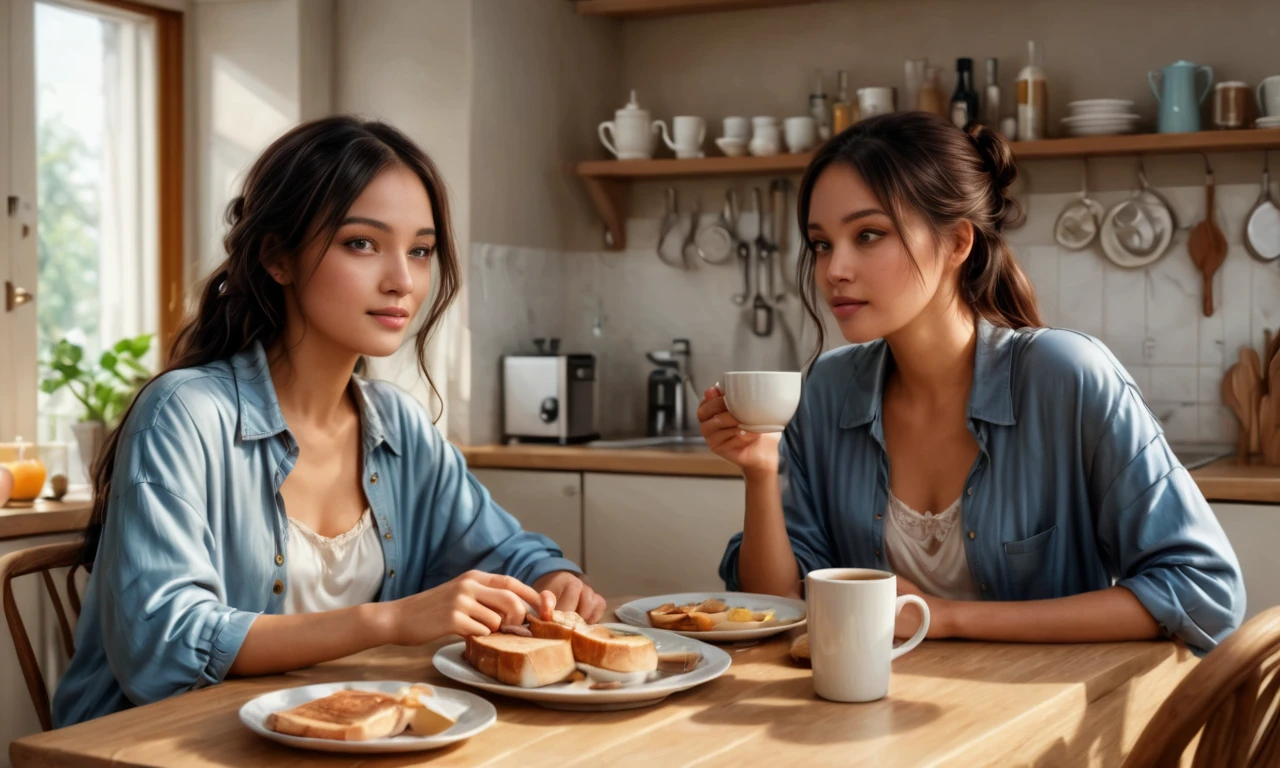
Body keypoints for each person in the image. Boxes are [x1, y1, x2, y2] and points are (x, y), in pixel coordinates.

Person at [54, 116, 604, 726]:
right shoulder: (185, 414)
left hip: (339, 740)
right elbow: (164, 645)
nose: (402, 281)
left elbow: (505, 550)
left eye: (420, 251)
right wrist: (391, 621)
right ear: (277, 257)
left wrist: (553, 578)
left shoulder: (398, 425)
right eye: (362, 243)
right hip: (151, 748)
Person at [698, 111, 1243, 654]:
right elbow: (774, 609)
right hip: (865, 720)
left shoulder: (1066, 377)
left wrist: (948, 618)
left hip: (1039, 723)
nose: (834, 268)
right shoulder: (826, 390)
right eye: (821, 243)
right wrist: (761, 471)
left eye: (868, 235)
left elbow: (1203, 591)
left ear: (958, 242)